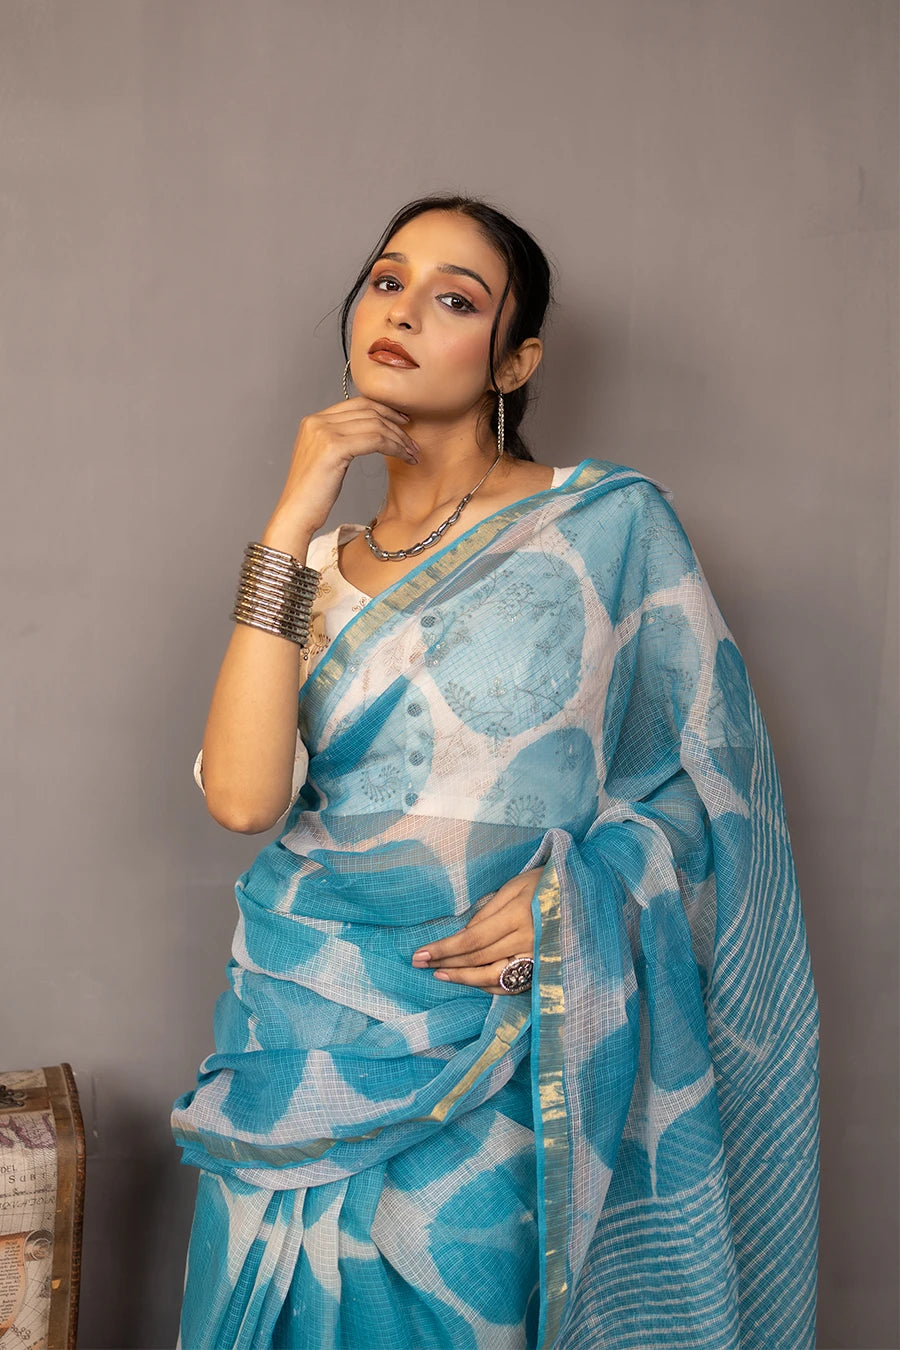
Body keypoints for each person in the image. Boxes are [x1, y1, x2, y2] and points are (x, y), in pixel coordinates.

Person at [170, 194, 820, 1349]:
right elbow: (243, 799)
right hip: (296, 1033)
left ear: (515, 358)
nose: (406, 310)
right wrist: (288, 519)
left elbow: (707, 784)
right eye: (385, 281)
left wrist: (585, 890)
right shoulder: (309, 570)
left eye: (455, 298)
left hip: (496, 1036)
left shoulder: (609, 527)